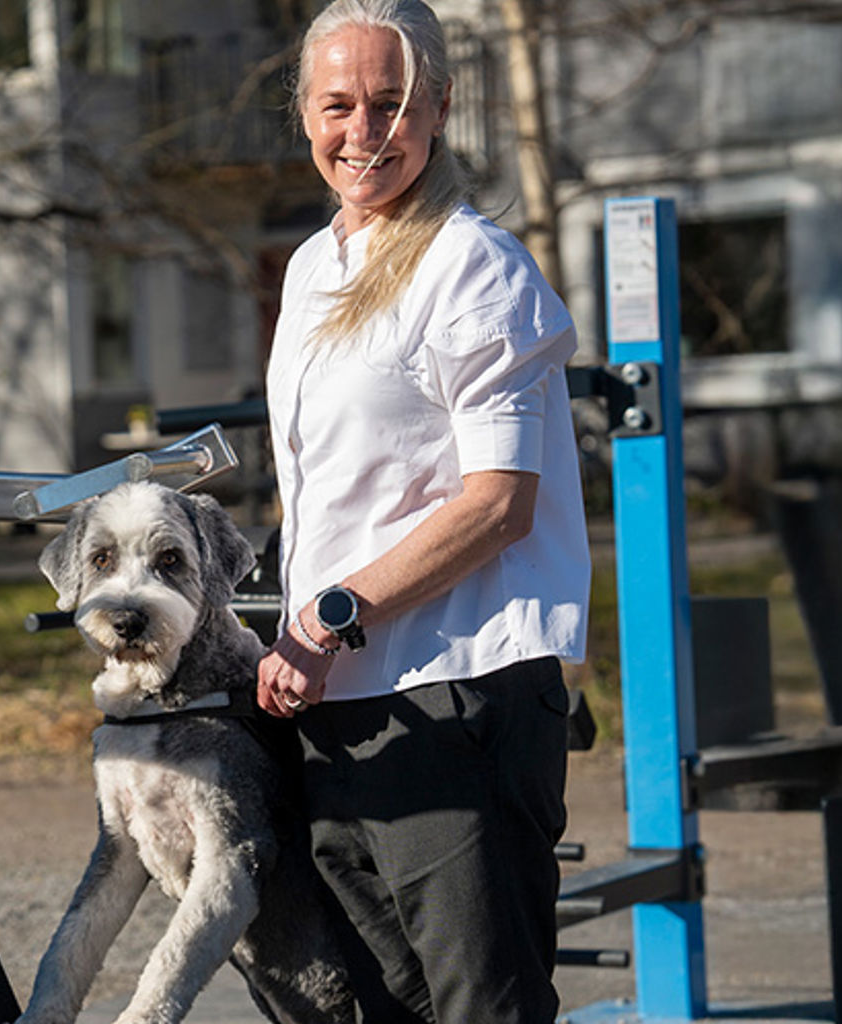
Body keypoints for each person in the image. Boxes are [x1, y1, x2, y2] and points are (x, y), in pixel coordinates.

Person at [254, 1, 591, 1021]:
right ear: (305, 114)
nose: (364, 132)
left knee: (481, 1007)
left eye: (393, 104)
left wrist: (330, 613)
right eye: (339, 104)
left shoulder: (474, 266)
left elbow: (499, 504)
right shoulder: (317, 266)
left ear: (440, 108)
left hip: (459, 691)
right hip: (340, 705)